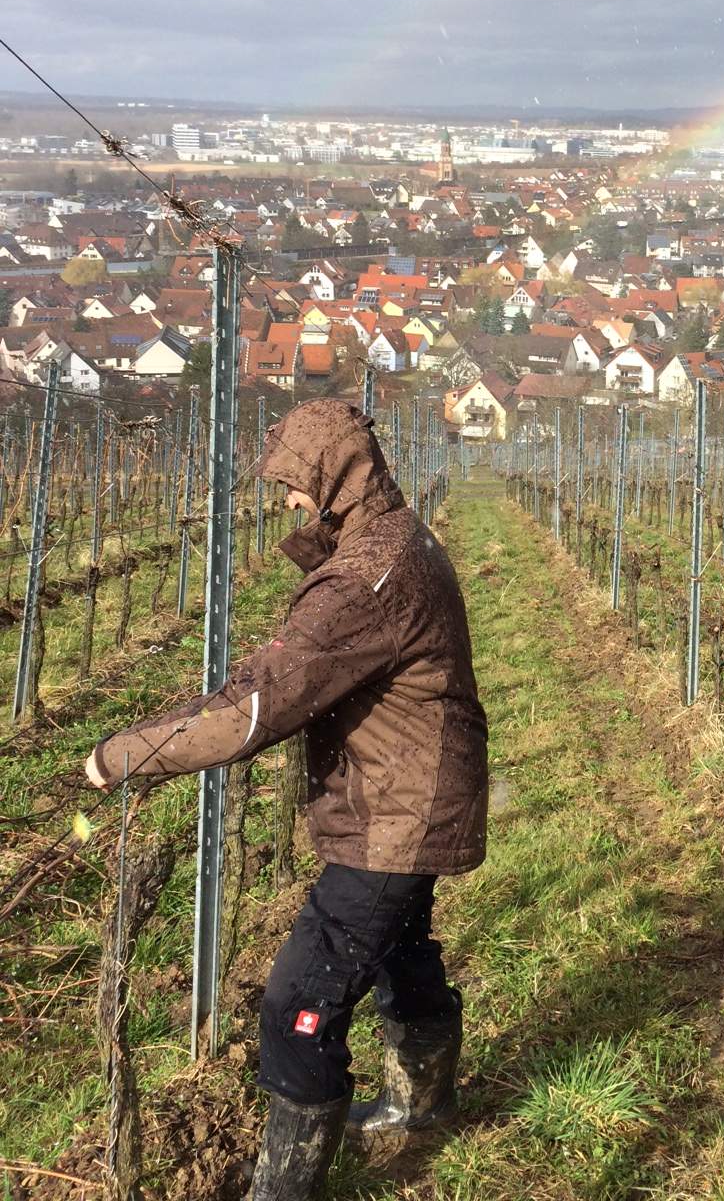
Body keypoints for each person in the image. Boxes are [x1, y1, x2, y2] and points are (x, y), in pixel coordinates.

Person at [85, 399, 488, 1200]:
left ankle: (286, 1186)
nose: (287, 501)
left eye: (293, 485)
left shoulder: (365, 579)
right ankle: (423, 1106)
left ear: (329, 475)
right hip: (415, 790)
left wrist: (121, 756)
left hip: (394, 815)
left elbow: (259, 706)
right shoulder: (394, 538)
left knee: (300, 1000)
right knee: (402, 951)